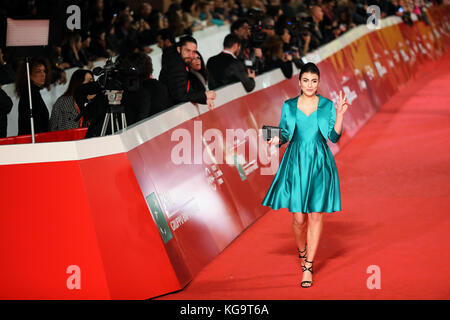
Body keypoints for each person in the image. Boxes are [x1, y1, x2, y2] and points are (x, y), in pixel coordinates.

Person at [262, 62, 349, 288]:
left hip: (320, 162)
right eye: (306, 80)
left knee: (316, 215)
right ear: (299, 82)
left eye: (314, 81)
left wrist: (339, 115)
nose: (310, 85)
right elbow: (283, 132)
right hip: (296, 162)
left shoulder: (328, 105)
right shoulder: (289, 106)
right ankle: (302, 252)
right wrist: (275, 139)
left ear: (318, 83)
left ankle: (308, 266)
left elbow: (334, 137)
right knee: (299, 218)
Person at [159, 36, 216, 109]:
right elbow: (180, 95)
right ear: (179, 49)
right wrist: (204, 95)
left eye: (193, 52)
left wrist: (204, 98)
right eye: (187, 51)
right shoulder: (177, 65)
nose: (191, 55)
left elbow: (186, 90)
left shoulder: (181, 62)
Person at [16, 58, 52, 136]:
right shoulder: (29, 94)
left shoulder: (33, 92)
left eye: (44, 71)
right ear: (29, 75)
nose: (43, 75)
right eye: (38, 71)